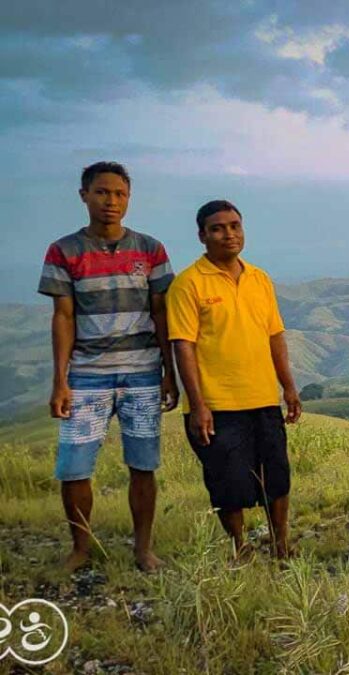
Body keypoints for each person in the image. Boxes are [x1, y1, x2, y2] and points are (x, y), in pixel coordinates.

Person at [38, 161, 177, 572]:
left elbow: (161, 312)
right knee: (75, 466)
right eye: (101, 192)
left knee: (143, 463)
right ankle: (80, 549)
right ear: (84, 195)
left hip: (142, 371)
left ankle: (143, 549)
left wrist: (169, 372)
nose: (110, 201)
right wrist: (60, 380)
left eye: (119, 194)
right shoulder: (63, 251)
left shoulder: (150, 249)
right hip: (86, 373)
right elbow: (63, 317)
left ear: (128, 198)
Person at [168, 200, 302, 560]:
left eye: (234, 226)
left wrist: (288, 386)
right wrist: (197, 405)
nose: (228, 234)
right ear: (202, 235)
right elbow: (184, 345)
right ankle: (239, 548)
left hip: (262, 397)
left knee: (276, 476)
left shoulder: (259, 278)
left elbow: (275, 335)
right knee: (227, 482)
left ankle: (280, 544)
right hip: (217, 404)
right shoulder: (188, 284)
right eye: (218, 228)